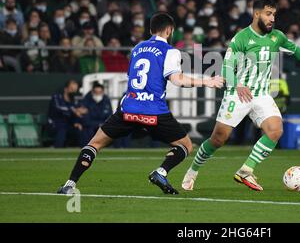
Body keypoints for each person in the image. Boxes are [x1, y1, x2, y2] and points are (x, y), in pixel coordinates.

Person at [182, 0, 300, 191]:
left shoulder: (277, 37)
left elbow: (296, 50)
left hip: (261, 94)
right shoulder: (241, 38)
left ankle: (246, 170)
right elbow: (226, 68)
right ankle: (192, 171)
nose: (272, 18)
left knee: (275, 130)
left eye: (274, 14)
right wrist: (238, 84)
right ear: (256, 14)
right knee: (218, 139)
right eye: (268, 14)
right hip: (237, 93)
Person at [57, 12, 223, 195]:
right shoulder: (171, 51)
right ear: (169, 30)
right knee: (185, 145)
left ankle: (70, 184)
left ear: (151, 30)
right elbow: (178, 80)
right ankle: (161, 171)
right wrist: (206, 81)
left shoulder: (137, 48)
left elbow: (131, 78)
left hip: (128, 108)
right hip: (154, 111)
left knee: (94, 144)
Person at [47, 80, 87, 148]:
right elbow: (58, 108)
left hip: (68, 124)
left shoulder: (73, 100)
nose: (73, 92)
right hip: (54, 124)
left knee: (81, 129)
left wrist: (76, 122)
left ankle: (85, 151)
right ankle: (57, 150)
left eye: (75, 90)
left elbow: (78, 112)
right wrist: (74, 110)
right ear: (66, 89)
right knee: (62, 130)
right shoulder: (57, 97)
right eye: (71, 89)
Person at [81, 82, 112, 146]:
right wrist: (97, 124)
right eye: (96, 92)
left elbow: (109, 115)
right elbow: (86, 118)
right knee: (88, 131)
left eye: (100, 92)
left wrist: (103, 124)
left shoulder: (106, 100)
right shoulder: (86, 100)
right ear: (92, 92)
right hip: (91, 125)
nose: (98, 94)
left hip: (104, 124)